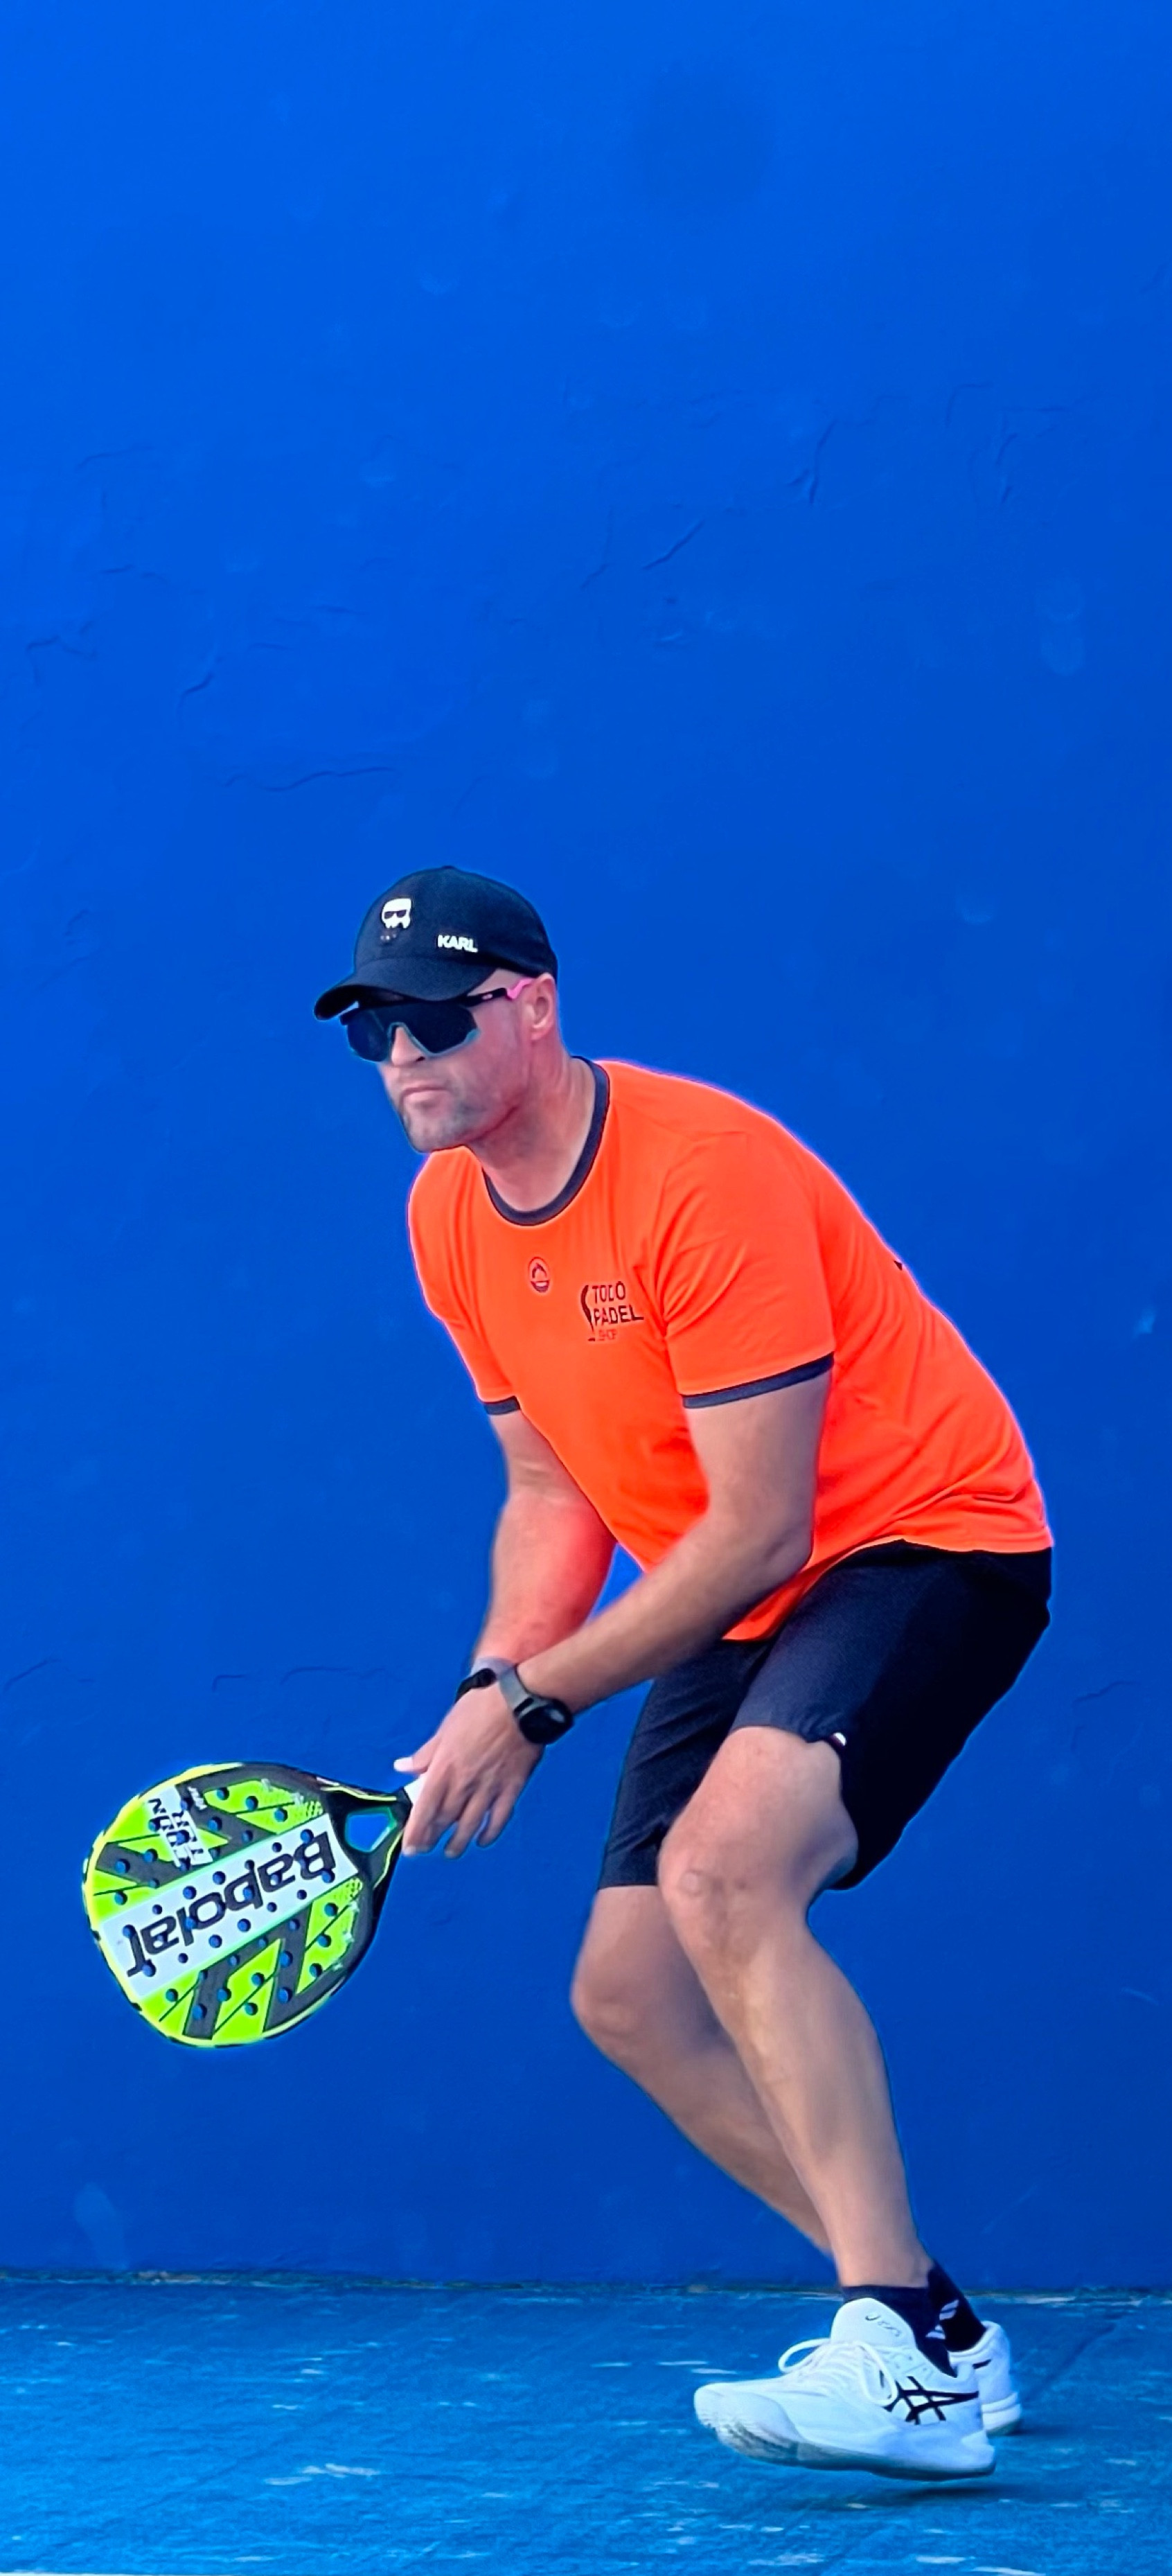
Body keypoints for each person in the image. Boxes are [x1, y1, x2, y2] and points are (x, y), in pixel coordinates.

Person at [314, 863, 1052, 2483]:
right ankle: (934, 2328)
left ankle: (894, 2358)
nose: (405, 1059)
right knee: (631, 1993)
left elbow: (762, 1522)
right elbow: (549, 1492)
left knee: (727, 1876)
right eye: (373, 1032)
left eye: (435, 1021)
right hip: (741, 1590)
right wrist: (490, 1680)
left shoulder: (700, 1172)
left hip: (924, 1538)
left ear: (532, 1005)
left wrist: (537, 1706)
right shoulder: (448, 1216)